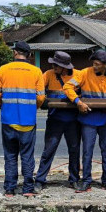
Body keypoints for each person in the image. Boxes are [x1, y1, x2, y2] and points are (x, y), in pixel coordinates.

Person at [0, 41, 46, 197]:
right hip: (28, 121)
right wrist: (32, 107)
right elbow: (41, 97)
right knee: (27, 155)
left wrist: (2, 104)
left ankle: (9, 188)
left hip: (8, 119)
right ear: (29, 55)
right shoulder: (36, 71)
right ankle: (28, 189)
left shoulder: (3, 69)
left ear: (15, 53)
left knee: (10, 155)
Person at [63, 49, 106, 192]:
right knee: (87, 152)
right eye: (93, 63)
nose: (94, 66)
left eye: (98, 64)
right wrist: (78, 102)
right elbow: (67, 87)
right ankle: (86, 180)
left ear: (105, 65)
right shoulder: (84, 73)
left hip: (105, 119)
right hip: (88, 118)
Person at [34, 51, 81, 192]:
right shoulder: (48, 75)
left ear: (65, 67)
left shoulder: (78, 75)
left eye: (56, 65)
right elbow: (39, 89)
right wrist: (42, 102)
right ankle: (40, 180)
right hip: (55, 119)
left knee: (74, 150)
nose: (53, 66)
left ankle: (74, 179)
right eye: (53, 64)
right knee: (48, 150)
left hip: (73, 120)